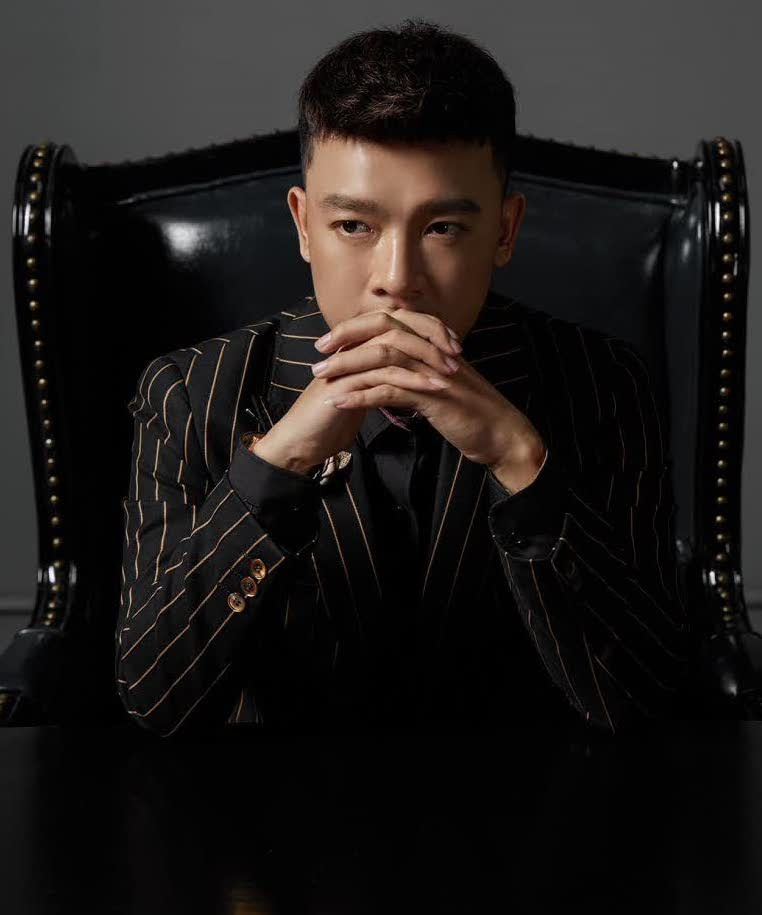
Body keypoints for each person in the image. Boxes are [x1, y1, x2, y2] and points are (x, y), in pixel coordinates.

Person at [115, 17, 690, 737]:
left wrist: (520, 460)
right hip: (268, 805)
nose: (397, 279)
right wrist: (278, 465)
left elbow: (649, 702)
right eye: (355, 226)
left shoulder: (604, 385)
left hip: (535, 800)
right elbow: (153, 699)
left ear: (505, 230)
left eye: (442, 228)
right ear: (303, 224)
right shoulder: (190, 392)